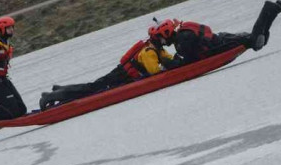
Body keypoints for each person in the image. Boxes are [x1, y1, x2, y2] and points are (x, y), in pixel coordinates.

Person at [37, 23, 177, 109]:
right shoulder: (149, 52)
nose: (167, 40)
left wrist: (178, 61)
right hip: (120, 75)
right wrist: (169, 66)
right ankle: (52, 96)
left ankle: (59, 90)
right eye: (166, 37)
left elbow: (168, 58)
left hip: (123, 74)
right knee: (91, 89)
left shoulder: (157, 49)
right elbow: (155, 72)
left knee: (92, 86)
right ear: (159, 37)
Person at [165, 0, 281, 65]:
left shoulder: (183, 39)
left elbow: (190, 58)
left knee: (255, 42)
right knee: (260, 42)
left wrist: (172, 63)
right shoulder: (183, 34)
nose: (165, 43)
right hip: (221, 40)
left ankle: (270, 8)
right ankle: (275, 9)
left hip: (221, 43)